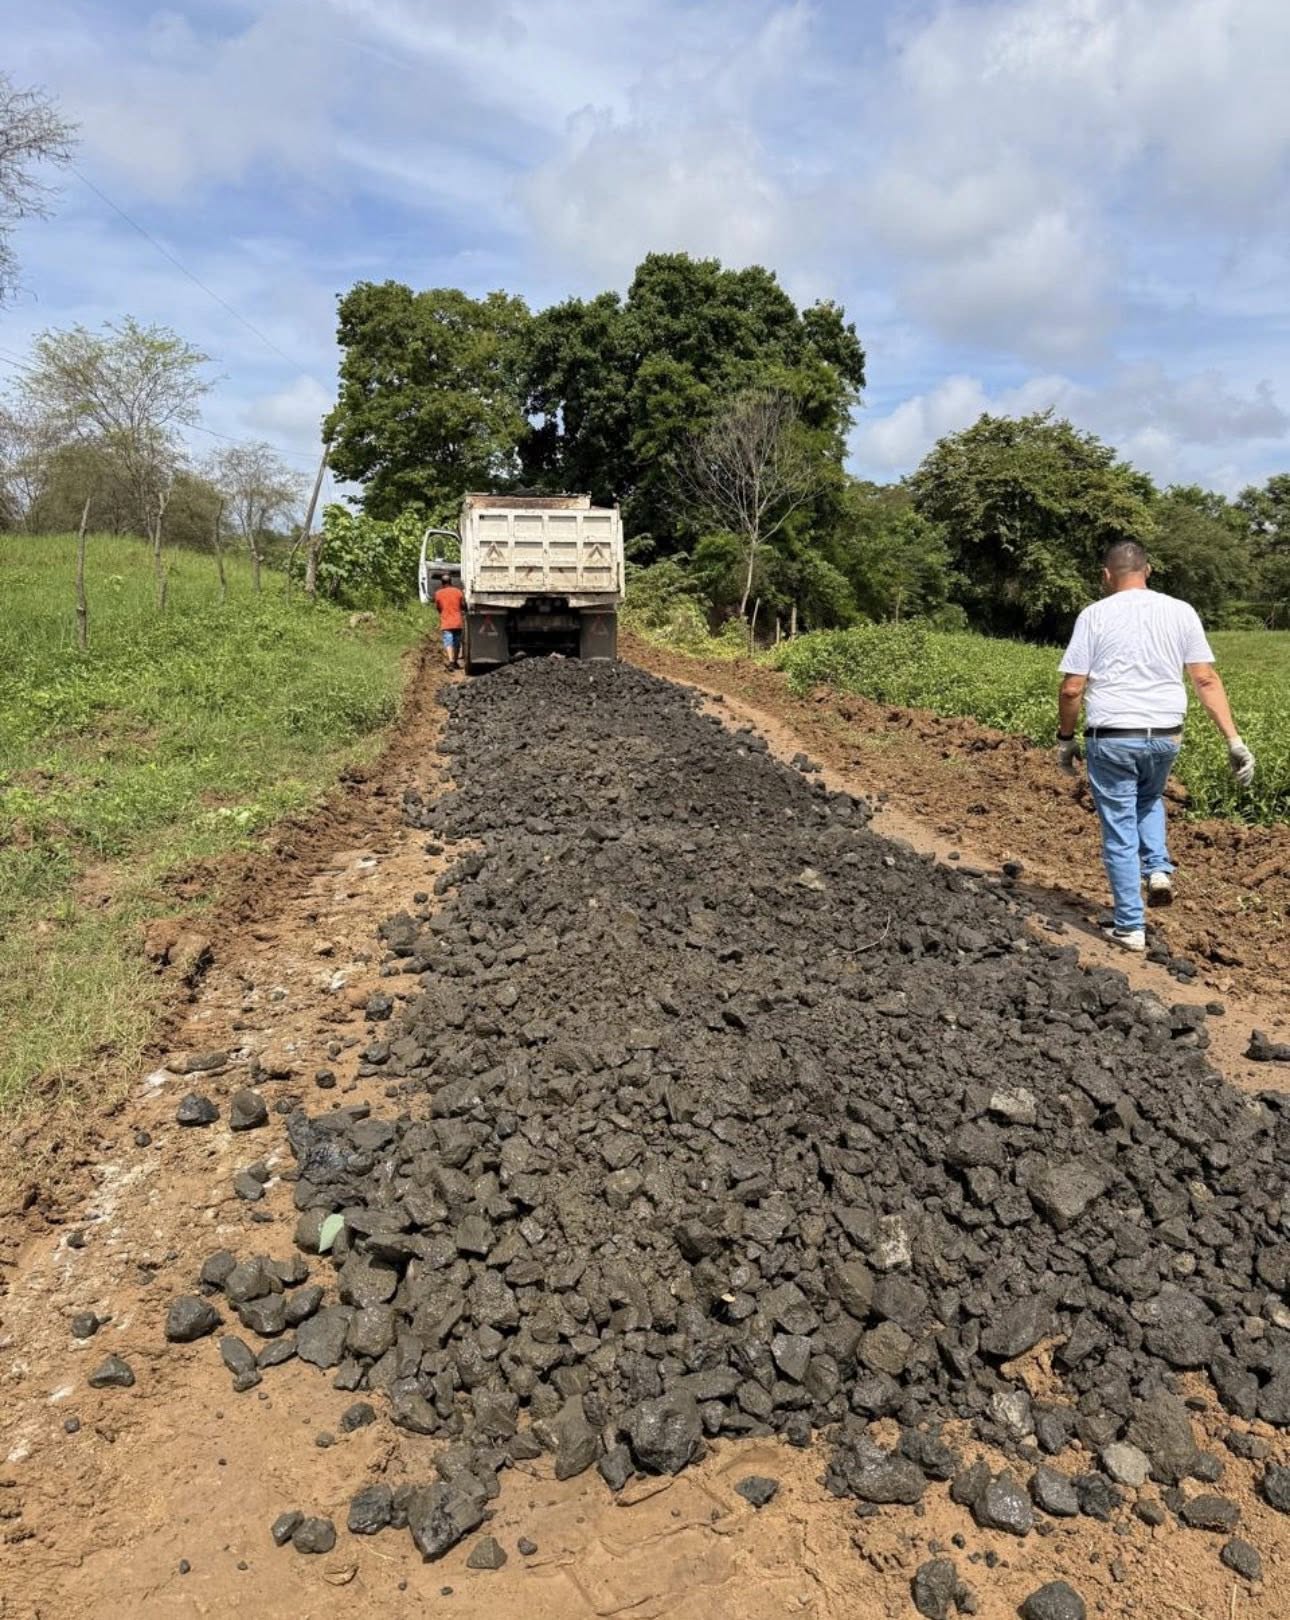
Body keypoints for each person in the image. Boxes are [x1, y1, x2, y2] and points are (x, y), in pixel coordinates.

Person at [1056, 540, 1256, 953]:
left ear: (1106, 575)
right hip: (1166, 735)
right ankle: (1158, 869)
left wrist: (1065, 739)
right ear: (1147, 570)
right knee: (1148, 800)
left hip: (1113, 737)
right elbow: (1205, 679)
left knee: (1119, 829)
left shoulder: (1094, 615)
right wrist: (1234, 740)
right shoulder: (1181, 611)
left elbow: (1073, 687)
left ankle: (1130, 926)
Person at [433, 572, 465, 671]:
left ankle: (451, 662)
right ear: (451, 582)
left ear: (442, 583)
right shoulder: (458, 592)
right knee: (457, 643)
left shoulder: (438, 593)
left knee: (448, 642)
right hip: (457, 622)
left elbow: (438, 608)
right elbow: (463, 605)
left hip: (446, 622)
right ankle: (455, 662)